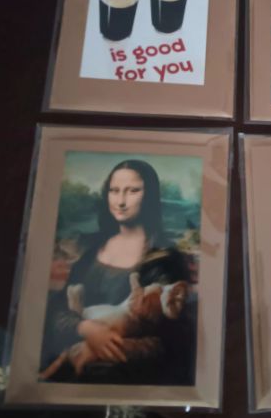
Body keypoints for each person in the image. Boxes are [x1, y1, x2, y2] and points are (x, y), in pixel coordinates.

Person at [40, 160, 196, 386]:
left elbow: (173, 342)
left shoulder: (165, 259)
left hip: (127, 381)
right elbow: (56, 311)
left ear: (149, 195)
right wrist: (86, 329)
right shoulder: (91, 250)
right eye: (114, 191)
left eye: (133, 191)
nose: (121, 201)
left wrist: (104, 347)